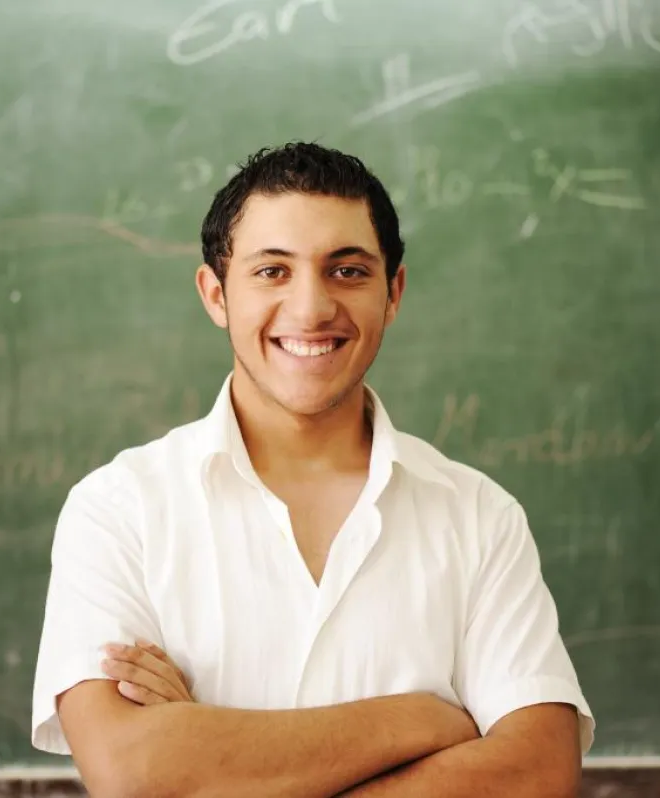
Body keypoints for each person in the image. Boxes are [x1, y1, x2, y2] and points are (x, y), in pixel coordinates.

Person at [31, 142, 594, 797]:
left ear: (393, 293)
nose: (310, 309)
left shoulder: (479, 516)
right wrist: (420, 720)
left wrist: (211, 757)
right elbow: (132, 769)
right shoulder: (119, 510)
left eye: (347, 271)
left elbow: (537, 771)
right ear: (216, 294)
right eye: (272, 271)